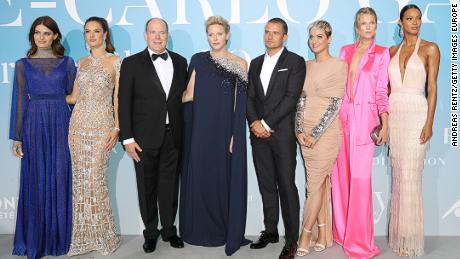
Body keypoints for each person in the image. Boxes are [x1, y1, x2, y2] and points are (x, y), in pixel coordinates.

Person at [179, 15, 250, 256]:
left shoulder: (239, 63)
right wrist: (160, 105)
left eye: (219, 34)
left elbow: (237, 103)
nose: (215, 38)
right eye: (211, 34)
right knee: (200, 178)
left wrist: (234, 134)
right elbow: (189, 94)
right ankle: (198, 230)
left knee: (221, 180)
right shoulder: (198, 59)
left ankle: (221, 230)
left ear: (227, 35)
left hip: (223, 130)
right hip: (200, 129)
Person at [118, 18, 187, 253]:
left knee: (170, 187)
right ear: (145, 35)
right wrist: (127, 139)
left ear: (167, 35)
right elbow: (123, 103)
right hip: (143, 139)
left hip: (174, 137)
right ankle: (150, 233)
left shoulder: (180, 61)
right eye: (153, 32)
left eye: (162, 33)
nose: (158, 37)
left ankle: (169, 230)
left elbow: (182, 100)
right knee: (146, 188)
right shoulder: (131, 63)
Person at [9, 16, 75, 259]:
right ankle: (35, 239)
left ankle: (59, 239)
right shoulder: (21, 65)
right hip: (34, 124)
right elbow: (18, 102)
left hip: (61, 123)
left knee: (59, 177)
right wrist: (17, 137)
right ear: (32, 36)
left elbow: (74, 99)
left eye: (47, 33)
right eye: (37, 33)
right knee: (36, 179)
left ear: (55, 36)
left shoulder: (67, 64)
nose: (42, 37)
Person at [331, 7, 390, 259]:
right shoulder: (345, 51)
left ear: (376, 26)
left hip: (365, 122)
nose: (368, 27)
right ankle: (342, 233)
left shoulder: (381, 53)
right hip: (342, 119)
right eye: (363, 23)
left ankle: (360, 241)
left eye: (372, 23)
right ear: (356, 26)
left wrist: (384, 123)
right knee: (341, 177)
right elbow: (338, 85)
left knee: (360, 181)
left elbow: (381, 92)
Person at [247, 17, 305, 259]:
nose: (270, 36)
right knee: (266, 185)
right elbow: (249, 96)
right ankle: (270, 230)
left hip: (281, 135)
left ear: (285, 36)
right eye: (267, 32)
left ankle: (292, 240)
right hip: (258, 135)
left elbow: (291, 98)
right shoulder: (255, 62)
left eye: (276, 32)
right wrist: (254, 123)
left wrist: (266, 124)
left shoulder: (295, 62)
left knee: (286, 186)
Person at [66, 16, 121, 256]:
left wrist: (117, 127)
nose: (91, 36)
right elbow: (73, 98)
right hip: (77, 126)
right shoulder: (81, 62)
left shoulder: (116, 61)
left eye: (96, 31)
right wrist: (43, 95)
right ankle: (83, 238)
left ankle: (104, 237)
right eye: (87, 31)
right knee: (80, 183)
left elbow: (117, 98)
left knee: (96, 180)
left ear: (105, 34)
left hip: (102, 127)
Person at [388, 4, 439, 257]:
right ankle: (399, 236)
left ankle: (411, 238)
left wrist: (429, 122)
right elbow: (386, 90)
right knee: (399, 176)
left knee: (411, 176)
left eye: (418, 18)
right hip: (395, 114)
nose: (415, 22)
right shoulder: (392, 51)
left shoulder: (430, 48)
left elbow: (432, 87)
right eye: (409, 18)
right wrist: (383, 121)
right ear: (401, 23)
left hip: (417, 113)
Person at [294, 20, 347, 256]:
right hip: (304, 130)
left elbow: (336, 104)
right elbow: (301, 100)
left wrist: (315, 135)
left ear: (329, 38)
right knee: (319, 184)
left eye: (319, 37)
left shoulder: (339, 65)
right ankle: (323, 234)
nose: (314, 41)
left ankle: (305, 234)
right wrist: (298, 131)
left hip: (326, 133)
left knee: (313, 187)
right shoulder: (305, 65)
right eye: (312, 37)